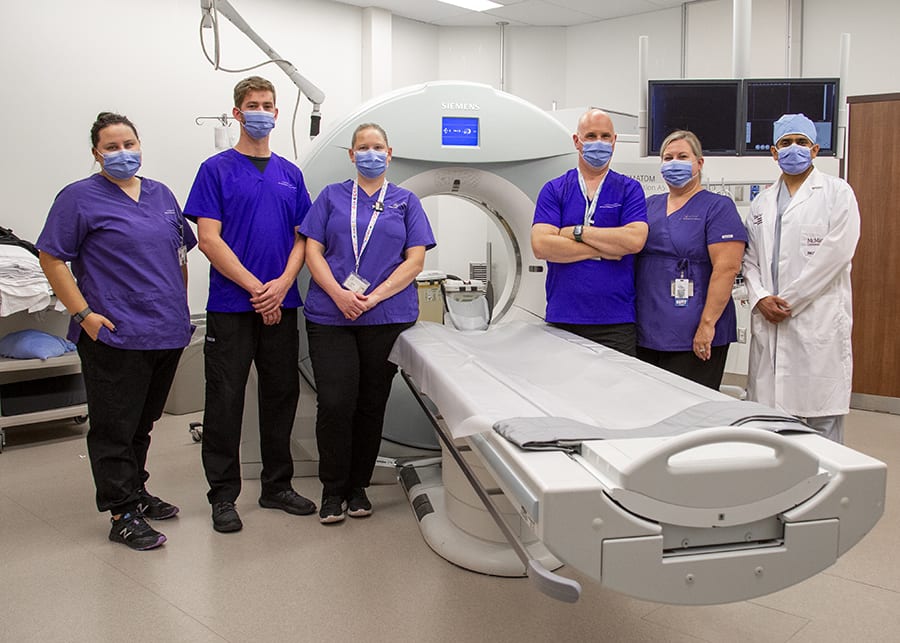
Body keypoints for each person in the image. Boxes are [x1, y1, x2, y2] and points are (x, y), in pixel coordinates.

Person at [36, 112, 196, 550]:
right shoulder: (79, 199)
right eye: (112, 147)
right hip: (113, 331)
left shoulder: (162, 194)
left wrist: (181, 308)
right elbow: (51, 257)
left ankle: (136, 491)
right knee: (114, 426)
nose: (123, 153)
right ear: (96, 154)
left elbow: (179, 253)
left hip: (166, 328)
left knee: (143, 422)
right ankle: (121, 511)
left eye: (129, 144)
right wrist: (84, 313)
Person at [184, 76, 315, 533]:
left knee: (281, 396)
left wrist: (281, 285)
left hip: (283, 301)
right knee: (225, 399)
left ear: (276, 114)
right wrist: (258, 289)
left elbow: (304, 238)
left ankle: (277, 486)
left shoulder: (290, 174)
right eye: (252, 105)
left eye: (268, 105)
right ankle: (223, 496)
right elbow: (207, 239)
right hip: (231, 305)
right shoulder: (215, 169)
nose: (261, 111)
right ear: (238, 113)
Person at [300, 123, 435, 524]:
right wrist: (341, 295)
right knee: (336, 403)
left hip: (385, 317)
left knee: (370, 404)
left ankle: (357, 487)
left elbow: (415, 261)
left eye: (377, 147)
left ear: (389, 153)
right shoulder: (330, 197)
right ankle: (332, 489)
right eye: (363, 147)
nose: (370, 153)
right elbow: (313, 251)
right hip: (331, 315)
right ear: (351, 154)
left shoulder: (406, 202)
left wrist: (373, 297)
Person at [743, 113, 860, 443]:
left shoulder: (838, 193)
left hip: (816, 321)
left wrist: (789, 300)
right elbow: (749, 260)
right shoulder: (761, 203)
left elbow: (836, 254)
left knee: (821, 423)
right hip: (769, 320)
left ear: (816, 149)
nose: (794, 149)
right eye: (786, 143)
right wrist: (760, 297)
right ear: (773, 152)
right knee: (770, 425)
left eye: (802, 142)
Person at [531, 108, 648, 355]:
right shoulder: (554, 189)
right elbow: (541, 245)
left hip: (616, 321)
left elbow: (634, 241)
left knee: (617, 392)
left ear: (614, 141)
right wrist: (607, 248)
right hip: (564, 317)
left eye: (605, 136)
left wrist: (575, 232)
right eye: (591, 135)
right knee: (561, 393)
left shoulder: (630, 189)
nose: (599, 143)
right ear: (577, 141)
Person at [635, 130, 747, 389]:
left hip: (694, 329)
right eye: (668, 157)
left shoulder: (718, 207)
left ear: (699, 163)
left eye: (682, 156)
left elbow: (727, 268)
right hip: (648, 329)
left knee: (692, 415)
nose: (674, 163)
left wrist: (707, 326)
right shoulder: (649, 205)